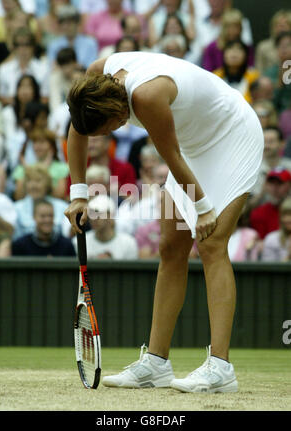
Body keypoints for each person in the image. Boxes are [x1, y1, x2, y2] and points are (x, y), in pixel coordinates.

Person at [64, 51, 264, 393]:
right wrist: (79, 193)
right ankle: (156, 363)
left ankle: (221, 368)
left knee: (212, 244)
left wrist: (203, 208)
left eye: (108, 130)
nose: (107, 135)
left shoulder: (146, 96)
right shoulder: (97, 80)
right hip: (192, 148)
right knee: (171, 247)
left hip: (232, 136)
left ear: (117, 113)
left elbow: (170, 158)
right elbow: (78, 131)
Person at [72, 194, 138, 259]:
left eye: (98, 213)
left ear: (110, 215)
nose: (93, 218)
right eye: (91, 213)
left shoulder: (128, 244)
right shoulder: (79, 243)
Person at [46, 4, 98, 70]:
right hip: (62, 77)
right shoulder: (54, 45)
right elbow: (52, 67)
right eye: (62, 23)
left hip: (84, 76)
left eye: (69, 22)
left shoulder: (90, 43)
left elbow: (92, 68)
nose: (66, 26)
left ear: (77, 23)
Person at [213, 39, 259, 104]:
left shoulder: (254, 76)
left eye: (239, 49)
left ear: (246, 55)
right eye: (230, 48)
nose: (234, 52)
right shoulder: (215, 76)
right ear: (224, 54)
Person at [250, 168, 291, 240]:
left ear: (289, 185)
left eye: (280, 183)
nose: (274, 188)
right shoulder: (258, 213)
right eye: (271, 183)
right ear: (265, 185)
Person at [255, 9, 291, 74]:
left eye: (285, 25)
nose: (281, 28)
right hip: (269, 81)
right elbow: (259, 72)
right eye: (278, 25)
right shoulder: (263, 47)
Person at [263, 31, 291, 114]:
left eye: (288, 45)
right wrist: (280, 82)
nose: (284, 49)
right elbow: (268, 102)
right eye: (280, 46)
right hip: (276, 116)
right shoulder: (270, 73)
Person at [261, 197, 291, 262]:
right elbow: (268, 268)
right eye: (286, 215)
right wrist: (289, 256)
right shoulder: (272, 239)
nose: (289, 219)